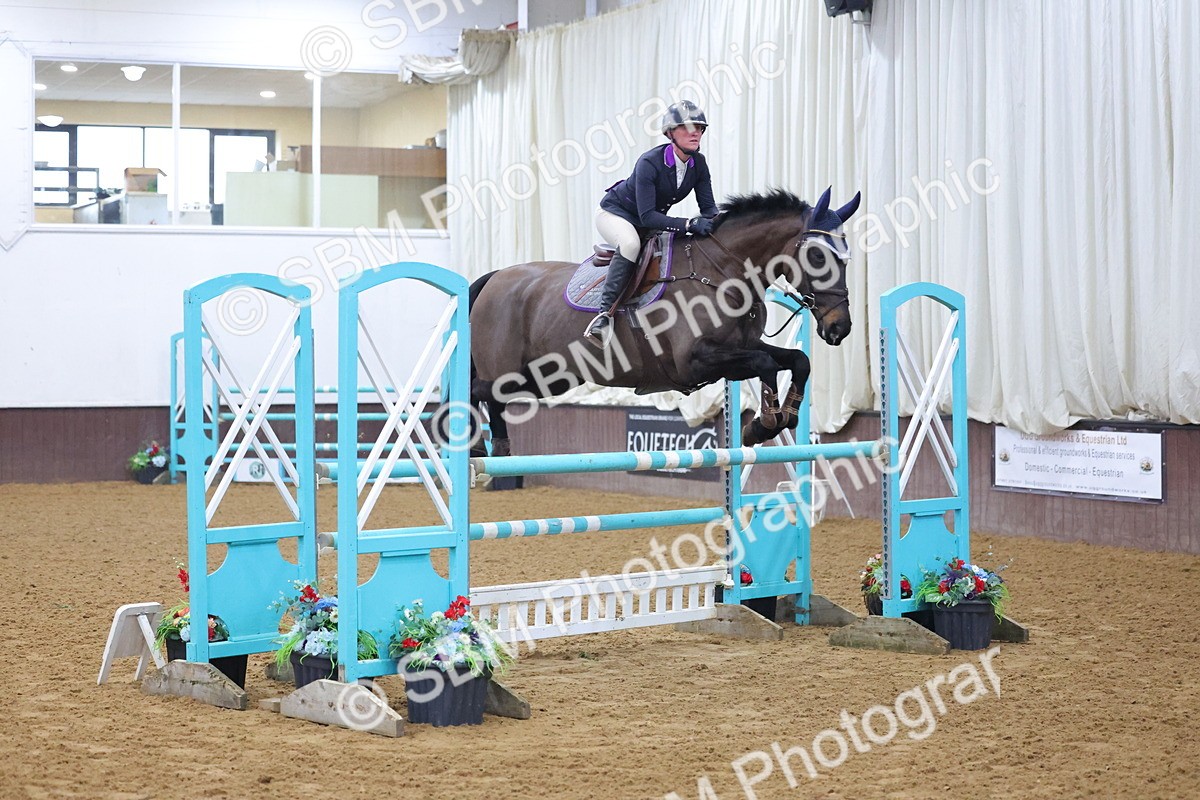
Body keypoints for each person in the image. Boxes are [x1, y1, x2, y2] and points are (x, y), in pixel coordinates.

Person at [584, 100, 720, 347]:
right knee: (630, 244)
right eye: (687, 127)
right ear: (670, 133)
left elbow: (709, 209)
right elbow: (647, 216)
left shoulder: (698, 164)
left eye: (699, 128)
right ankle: (603, 316)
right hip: (617, 214)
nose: (695, 132)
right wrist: (689, 223)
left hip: (649, 220)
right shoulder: (650, 162)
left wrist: (721, 227)